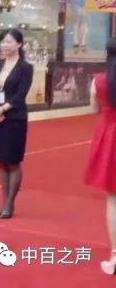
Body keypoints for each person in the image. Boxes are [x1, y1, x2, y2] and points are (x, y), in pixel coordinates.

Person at [0, 28, 33, 219]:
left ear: (19, 44)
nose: (5, 45)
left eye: (9, 42)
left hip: (14, 118)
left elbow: (20, 94)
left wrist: (3, 109)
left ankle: (10, 203)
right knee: (1, 161)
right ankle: (4, 200)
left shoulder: (25, 67)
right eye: (3, 41)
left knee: (13, 162)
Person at [84, 39, 116, 275]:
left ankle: (115, 255)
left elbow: (93, 109)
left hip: (110, 137)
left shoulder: (99, 80)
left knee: (113, 198)